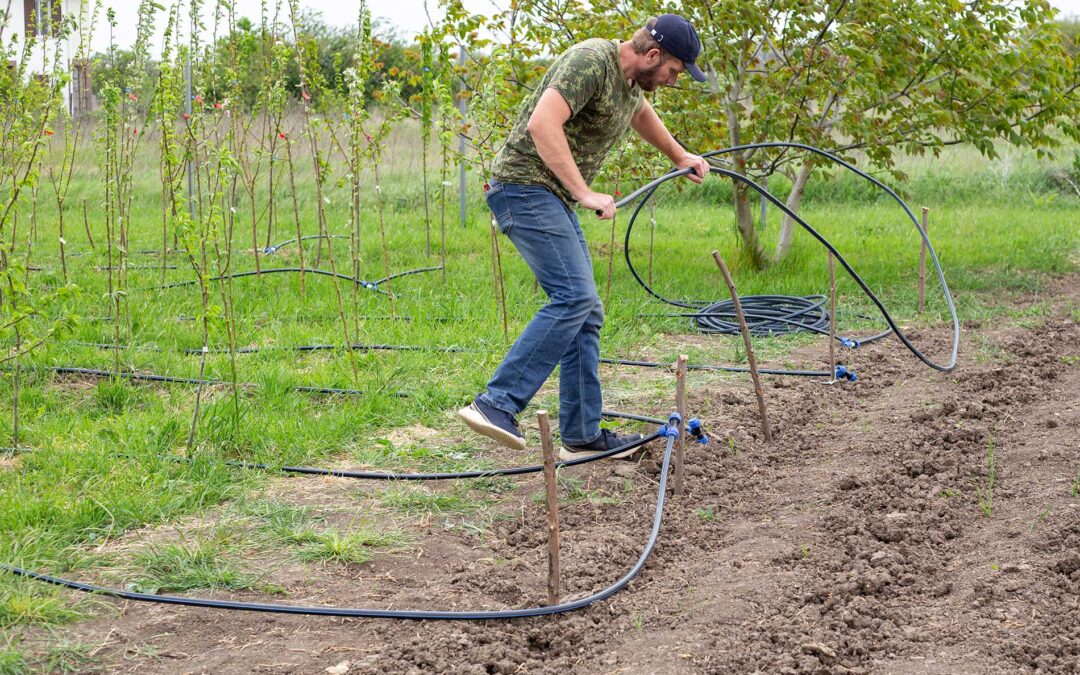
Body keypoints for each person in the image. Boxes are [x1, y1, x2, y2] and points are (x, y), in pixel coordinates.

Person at [459, 14, 710, 459]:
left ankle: (581, 434)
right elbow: (542, 124)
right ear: (653, 55)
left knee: (586, 310)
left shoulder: (631, 84)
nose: (673, 81)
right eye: (673, 71)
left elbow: (640, 114)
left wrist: (679, 155)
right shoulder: (591, 60)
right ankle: (495, 403)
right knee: (573, 297)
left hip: (549, 197)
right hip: (523, 187)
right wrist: (584, 192)